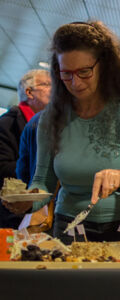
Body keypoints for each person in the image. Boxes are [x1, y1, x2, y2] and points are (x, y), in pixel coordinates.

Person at [2, 21, 120, 244]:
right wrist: (28, 201)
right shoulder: (51, 118)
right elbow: (43, 182)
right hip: (70, 224)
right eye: (66, 73)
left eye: (84, 72)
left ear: (104, 66)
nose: (75, 83)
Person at [0, 69, 50, 228]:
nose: (54, 90)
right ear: (29, 92)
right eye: (47, 85)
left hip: (37, 209)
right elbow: (2, 166)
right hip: (11, 213)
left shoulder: (48, 126)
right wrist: (42, 169)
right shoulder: (7, 123)